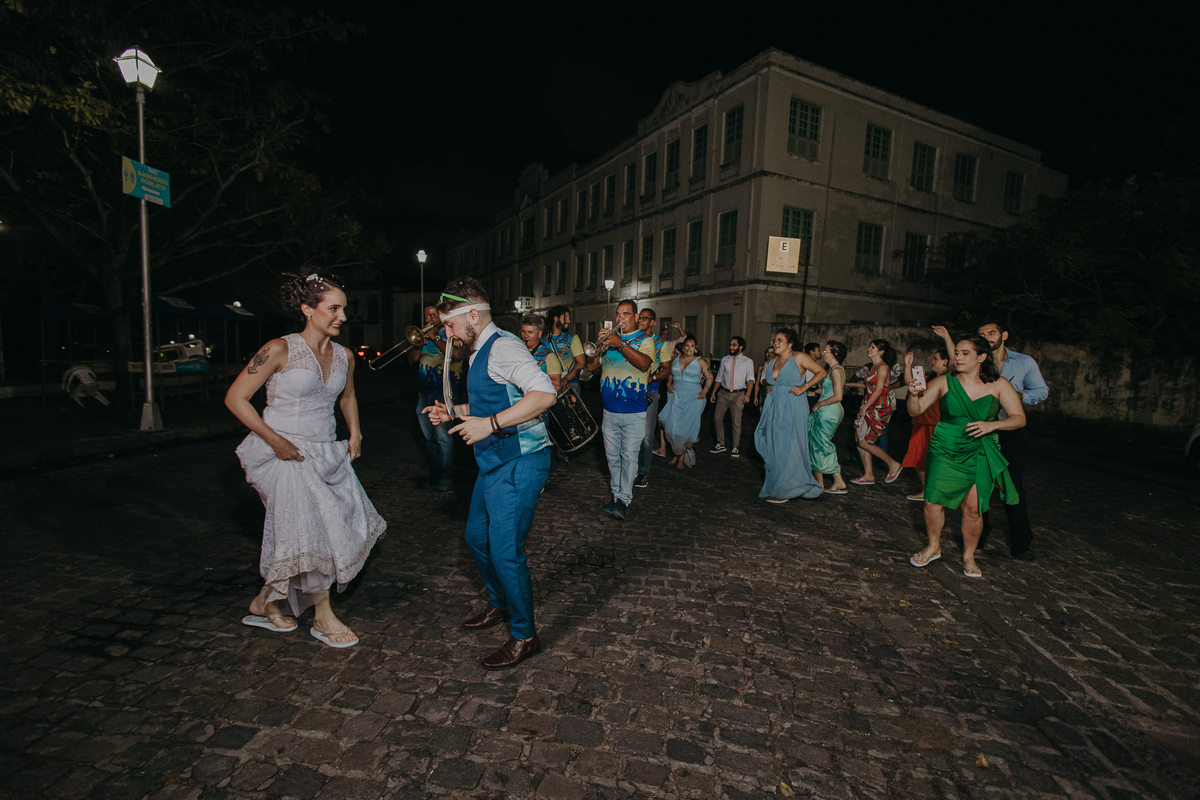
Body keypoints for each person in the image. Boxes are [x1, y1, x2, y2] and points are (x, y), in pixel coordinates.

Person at [225, 272, 386, 648]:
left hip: (325, 451)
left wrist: (355, 431)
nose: (342, 316)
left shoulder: (345, 355)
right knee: (315, 527)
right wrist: (275, 440)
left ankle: (264, 602)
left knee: (316, 529)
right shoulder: (279, 349)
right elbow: (236, 398)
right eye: (333, 308)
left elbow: (346, 397)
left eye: (344, 309)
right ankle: (323, 616)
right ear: (307, 309)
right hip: (283, 454)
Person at [423, 279, 557, 669]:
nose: (446, 334)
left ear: (471, 316)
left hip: (522, 460)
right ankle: (500, 604)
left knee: (504, 551)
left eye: (448, 325)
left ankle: (524, 634)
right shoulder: (479, 349)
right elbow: (493, 398)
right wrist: (456, 412)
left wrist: (491, 424)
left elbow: (544, 393)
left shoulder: (505, 346)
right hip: (494, 462)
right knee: (475, 537)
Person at [906, 334, 1024, 579]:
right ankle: (933, 546)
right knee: (932, 501)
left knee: (973, 508)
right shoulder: (944, 381)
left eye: (964, 353)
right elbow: (916, 410)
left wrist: (993, 426)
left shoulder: (999, 384)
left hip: (979, 449)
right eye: (956, 353)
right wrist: (913, 394)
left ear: (981, 357)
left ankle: (969, 556)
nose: (957, 357)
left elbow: (1019, 418)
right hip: (944, 447)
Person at [935, 323, 1048, 558]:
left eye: (991, 333)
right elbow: (956, 361)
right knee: (978, 485)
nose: (986, 337)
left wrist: (1018, 395)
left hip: (1009, 429)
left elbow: (1041, 390)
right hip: (978, 429)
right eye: (982, 334)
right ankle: (979, 536)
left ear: (1004, 335)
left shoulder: (1024, 362)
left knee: (1012, 484)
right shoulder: (973, 359)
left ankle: (1021, 543)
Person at [585, 300, 655, 519]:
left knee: (629, 457)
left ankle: (624, 498)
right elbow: (591, 366)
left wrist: (621, 345)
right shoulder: (608, 341)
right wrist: (598, 345)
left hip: (634, 412)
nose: (620, 318)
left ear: (635, 317)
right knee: (613, 458)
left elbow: (644, 364)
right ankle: (616, 496)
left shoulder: (646, 340)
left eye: (626, 314)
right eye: (617, 314)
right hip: (609, 411)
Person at [754, 328, 827, 503]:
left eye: (780, 340)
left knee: (789, 446)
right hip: (774, 406)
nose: (775, 343)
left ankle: (786, 488)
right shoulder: (774, 361)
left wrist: (804, 387)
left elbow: (822, 372)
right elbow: (770, 381)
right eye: (775, 340)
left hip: (793, 405)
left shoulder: (799, 357)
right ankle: (780, 484)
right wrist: (768, 385)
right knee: (774, 445)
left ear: (790, 343)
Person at [407, 304, 465, 492]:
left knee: (443, 438)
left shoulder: (453, 334)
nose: (428, 320)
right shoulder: (424, 337)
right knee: (429, 438)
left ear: (440, 316)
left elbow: (456, 356)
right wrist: (417, 345)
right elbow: (412, 360)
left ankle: (444, 479)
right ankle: (434, 475)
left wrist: (435, 337)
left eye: (432, 316)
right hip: (424, 392)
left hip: (445, 392)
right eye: (426, 316)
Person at [899, 348, 950, 501]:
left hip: (936, 424)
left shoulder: (950, 380)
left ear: (946, 362)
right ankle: (927, 489)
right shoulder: (931, 378)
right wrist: (908, 366)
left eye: (936, 359)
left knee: (931, 460)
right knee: (919, 458)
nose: (933, 361)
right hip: (921, 421)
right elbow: (910, 382)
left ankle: (934, 490)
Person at [851, 340, 903, 486]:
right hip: (871, 403)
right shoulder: (875, 366)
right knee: (862, 439)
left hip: (877, 405)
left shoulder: (883, 367)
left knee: (865, 441)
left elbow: (879, 390)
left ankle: (893, 464)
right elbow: (870, 386)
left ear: (881, 352)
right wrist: (850, 384)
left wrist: (864, 408)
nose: (869, 349)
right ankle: (868, 475)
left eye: (872, 347)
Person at [659, 335, 712, 469]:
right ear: (683, 347)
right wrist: (669, 384)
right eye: (687, 345)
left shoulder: (700, 362)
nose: (689, 348)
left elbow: (710, 377)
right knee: (670, 426)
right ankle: (677, 453)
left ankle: (680, 458)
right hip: (676, 396)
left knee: (684, 430)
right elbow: (669, 373)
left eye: (692, 346)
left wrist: (705, 391)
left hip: (692, 398)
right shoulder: (675, 359)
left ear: (695, 348)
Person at [635, 308, 672, 488]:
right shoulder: (631, 339)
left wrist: (652, 378)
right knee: (630, 433)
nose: (640, 320)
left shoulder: (660, 343)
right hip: (631, 390)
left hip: (650, 391)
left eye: (645, 318)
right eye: (639, 317)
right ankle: (630, 469)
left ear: (653, 322)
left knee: (646, 437)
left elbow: (666, 369)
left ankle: (643, 472)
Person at [546, 305, 585, 462]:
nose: (568, 320)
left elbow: (580, 363)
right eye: (565, 317)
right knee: (548, 421)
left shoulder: (571, 338)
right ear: (556, 318)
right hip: (547, 386)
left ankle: (564, 452)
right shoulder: (543, 338)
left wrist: (566, 379)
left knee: (567, 421)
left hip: (570, 385)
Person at [809, 340, 848, 494]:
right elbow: (825, 390)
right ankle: (836, 481)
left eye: (826, 351)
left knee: (819, 445)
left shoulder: (836, 370)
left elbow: (838, 396)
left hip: (828, 411)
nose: (823, 353)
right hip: (828, 410)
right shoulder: (833, 370)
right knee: (819, 443)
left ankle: (820, 484)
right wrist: (805, 389)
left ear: (835, 354)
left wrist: (819, 404)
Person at [709, 336, 755, 457]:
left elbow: (750, 379)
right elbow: (719, 378)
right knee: (717, 418)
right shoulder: (725, 359)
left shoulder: (747, 361)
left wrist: (748, 394)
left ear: (741, 347)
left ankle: (735, 447)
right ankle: (721, 443)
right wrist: (714, 392)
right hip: (723, 393)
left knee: (736, 422)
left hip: (738, 394)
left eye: (734, 345)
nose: (731, 347)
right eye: (730, 345)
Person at [519, 315, 563, 393]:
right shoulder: (518, 351)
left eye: (530, 332)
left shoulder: (549, 356)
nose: (526, 336)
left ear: (539, 334)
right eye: (523, 331)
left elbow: (556, 385)